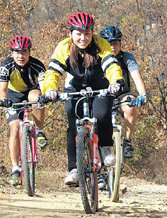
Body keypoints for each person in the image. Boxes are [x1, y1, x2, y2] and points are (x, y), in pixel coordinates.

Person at [42, 12, 124, 186]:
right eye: (78, 33)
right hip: (75, 87)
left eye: (87, 33)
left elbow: (111, 66)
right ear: (70, 33)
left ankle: (106, 147)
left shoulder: (100, 44)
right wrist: (50, 89)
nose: (83, 38)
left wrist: (115, 81)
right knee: (73, 125)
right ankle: (73, 169)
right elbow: (53, 72)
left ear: (92, 32)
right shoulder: (63, 47)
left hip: (100, 86)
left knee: (102, 116)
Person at [0, 35, 47, 186]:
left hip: (31, 91)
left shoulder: (37, 65)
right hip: (13, 96)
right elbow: (2, 89)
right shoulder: (6, 66)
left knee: (36, 97)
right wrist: (4, 101)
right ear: (12, 53)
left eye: (24, 52)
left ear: (29, 52)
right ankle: (15, 168)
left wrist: (45, 96)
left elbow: (44, 86)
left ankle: (39, 131)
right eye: (17, 52)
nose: (21, 55)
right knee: (14, 128)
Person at [100, 26, 147, 159]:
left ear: (120, 43)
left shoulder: (126, 57)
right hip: (102, 94)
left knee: (130, 107)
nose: (113, 46)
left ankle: (127, 141)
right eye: (109, 43)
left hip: (122, 94)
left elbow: (136, 75)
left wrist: (143, 94)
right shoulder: (97, 58)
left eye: (115, 43)